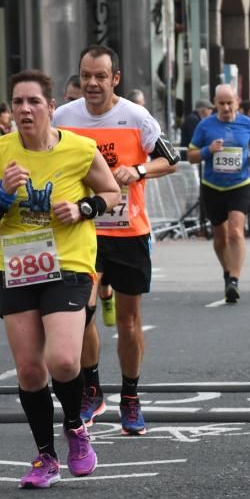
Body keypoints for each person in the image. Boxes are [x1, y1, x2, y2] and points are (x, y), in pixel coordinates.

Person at [0, 69, 120, 488]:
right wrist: (0, 195)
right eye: (17, 102)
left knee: (64, 361)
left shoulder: (79, 148)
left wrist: (84, 209)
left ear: (51, 107)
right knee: (31, 372)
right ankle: (45, 457)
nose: (24, 109)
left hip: (69, 262)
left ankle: (75, 428)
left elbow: (112, 194)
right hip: (18, 267)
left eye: (33, 101)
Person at [53, 45, 181, 435]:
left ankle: (130, 396)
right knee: (82, 313)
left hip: (129, 231)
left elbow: (170, 158)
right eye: (86, 76)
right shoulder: (64, 118)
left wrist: (138, 169)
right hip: (81, 230)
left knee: (128, 321)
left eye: (100, 76)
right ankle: (92, 387)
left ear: (115, 79)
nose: (92, 84)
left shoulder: (136, 116)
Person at [187, 83, 250, 302]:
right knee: (220, 236)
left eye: (230, 103)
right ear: (215, 103)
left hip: (239, 184)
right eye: (221, 103)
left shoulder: (247, 124)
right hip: (213, 186)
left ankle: (234, 281)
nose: (226, 107)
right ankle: (227, 271)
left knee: (236, 232)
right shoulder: (205, 125)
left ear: (237, 102)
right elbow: (191, 155)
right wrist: (207, 150)